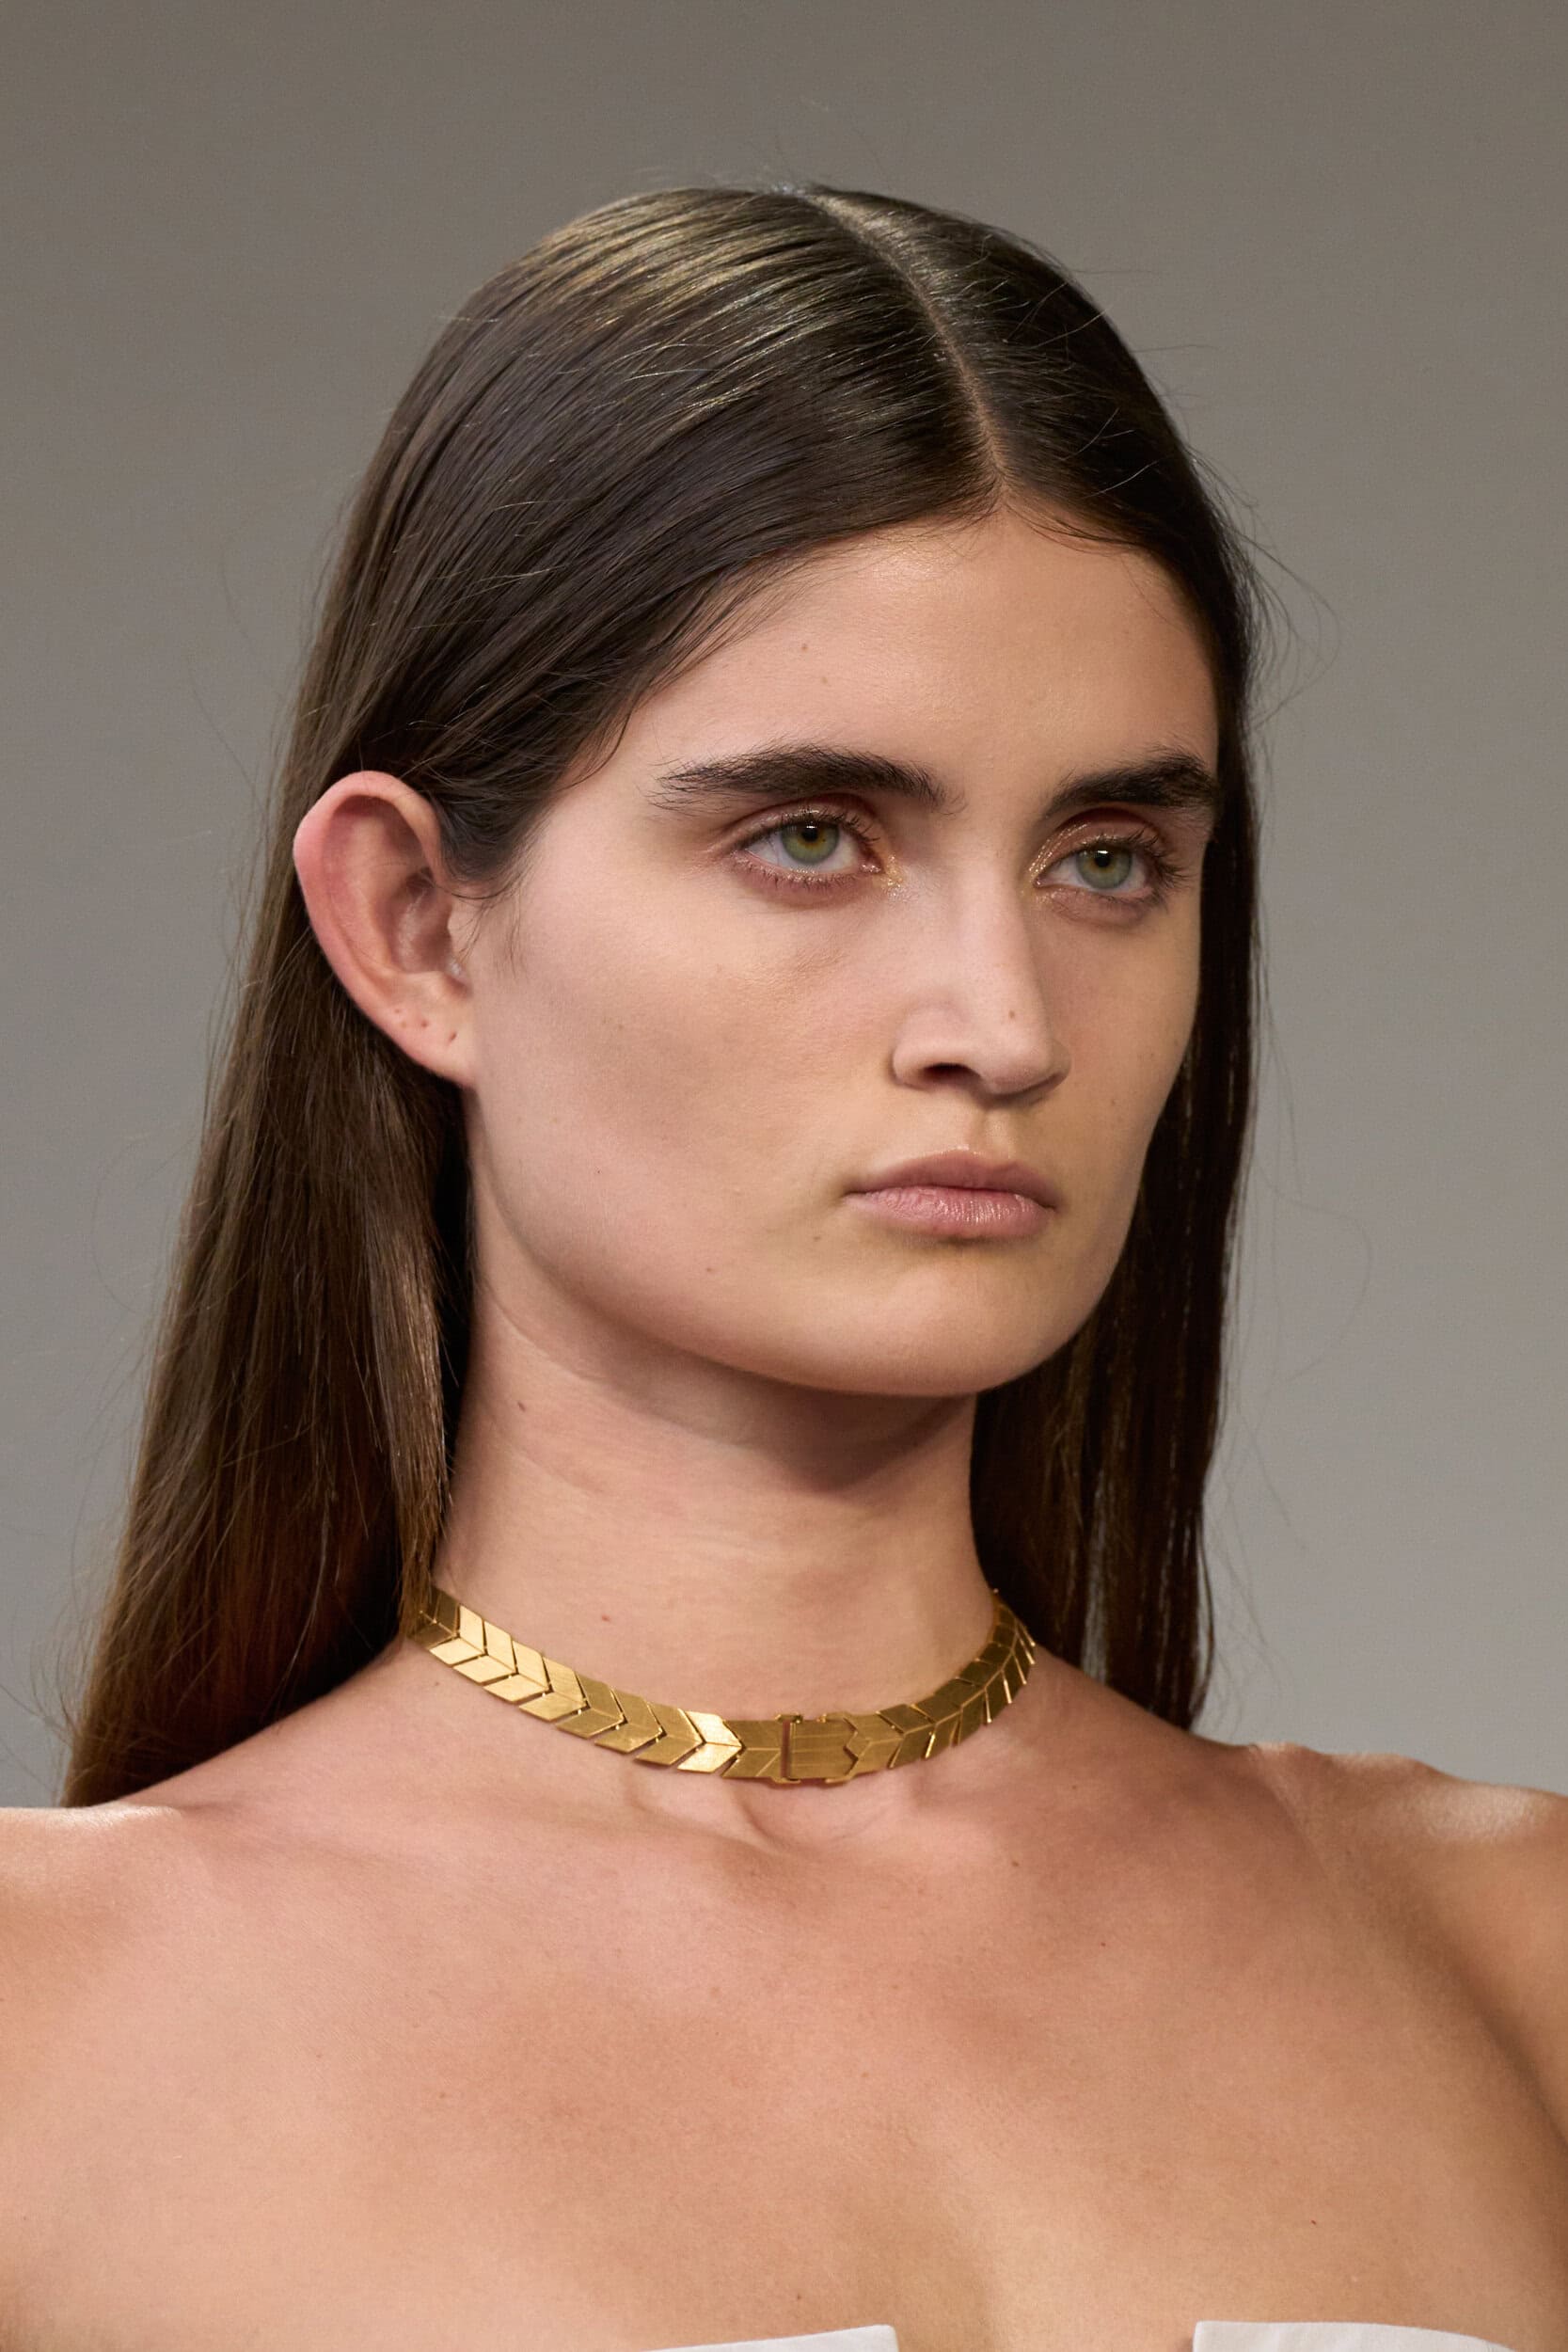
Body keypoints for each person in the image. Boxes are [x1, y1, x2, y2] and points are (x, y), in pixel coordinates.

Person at [0, 183, 1562, 2352]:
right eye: (812, 836)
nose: (1003, 1022)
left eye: (1110, 859)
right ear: (419, 925)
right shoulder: (48, 2040)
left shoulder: (1513, 1958)